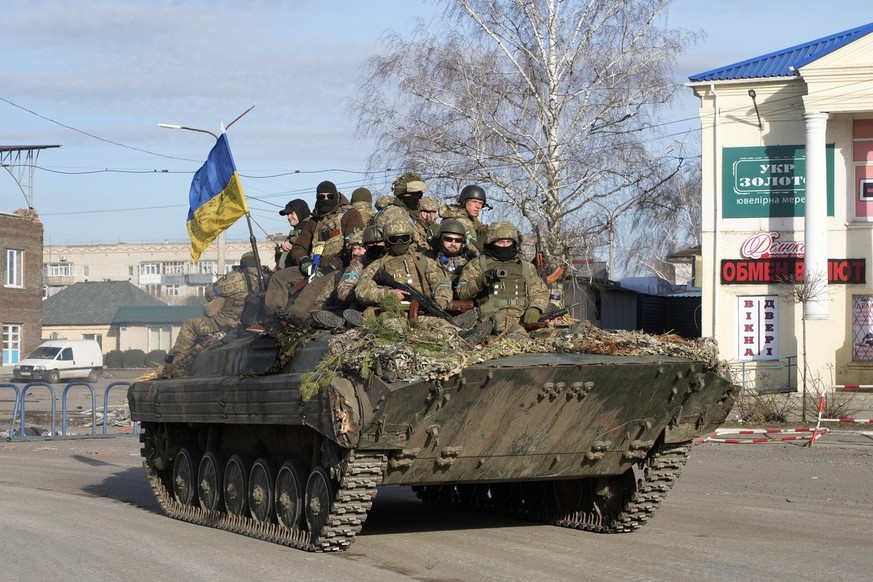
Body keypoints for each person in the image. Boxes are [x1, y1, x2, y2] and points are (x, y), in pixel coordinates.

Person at [265, 180, 364, 317]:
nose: (325, 199)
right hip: (314, 267)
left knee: (312, 288)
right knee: (279, 277)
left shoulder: (350, 215)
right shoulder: (314, 221)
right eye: (321, 197)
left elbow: (354, 249)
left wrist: (331, 267)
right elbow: (299, 247)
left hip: (338, 268)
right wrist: (304, 261)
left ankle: (296, 319)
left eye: (329, 196)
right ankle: (274, 315)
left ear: (335, 196)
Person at [165, 252, 262, 368]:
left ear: (243, 264)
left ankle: (177, 361)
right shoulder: (264, 278)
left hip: (227, 323)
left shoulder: (237, 278)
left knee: (190, 325)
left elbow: (211, 292)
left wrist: (220, 288)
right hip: (254, 323)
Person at [455, 221, 550, 337]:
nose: (505, 246)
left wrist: (536, 308)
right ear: (491, 243)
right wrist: (481, 281)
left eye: (508, 242)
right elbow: (461, 292)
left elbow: (540, 291)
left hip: (523, 316)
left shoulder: (525, 266)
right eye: (500, 242)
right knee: (517, 336)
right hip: (493, 317)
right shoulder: (478, 264)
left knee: (550, 334)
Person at [354, 218, 453, 316]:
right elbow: (361, 291)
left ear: (410, 239)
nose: (399, 242)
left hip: (425, 313)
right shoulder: (377, 266)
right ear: (387, 240)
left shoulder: (424, 261)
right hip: (393, 315)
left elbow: (442, 283)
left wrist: (441, 300)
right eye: (394, 239)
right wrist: (388, 294)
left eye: (404, 238)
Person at [312, 224, 385, 329]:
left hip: (389, 303)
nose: (355, 253)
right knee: (352, 309)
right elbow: (343, 290)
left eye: (359, 248)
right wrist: (366, 294)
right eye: (353, 249)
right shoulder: (358, 263)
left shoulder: (391, 260)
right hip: (361, 304)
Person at [375, 172, 431, 252]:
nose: (417, 198)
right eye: (411, 194)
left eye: (419, 194)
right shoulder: (395, 213)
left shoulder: (412, 214)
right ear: (401, 194)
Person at [424, 219, 476, 287]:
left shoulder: (469, 260)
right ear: (441, 239)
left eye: (457, 240)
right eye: (449, 239)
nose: (453, 244)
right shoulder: (429, 259)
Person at [440, 184, 490, 251]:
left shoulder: (470, 219)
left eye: (481, 203)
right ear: (464, 202)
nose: (478, 206)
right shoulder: (462, 221)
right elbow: (474, 250)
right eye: (474, 202)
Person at [275, 198, 311, 269]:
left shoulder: (308, 227)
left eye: (291, 213)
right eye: (287, 214)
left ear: (300, 212)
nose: (289, 217)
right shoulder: (297, 229)